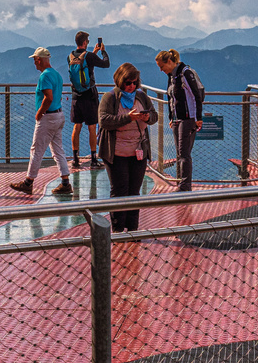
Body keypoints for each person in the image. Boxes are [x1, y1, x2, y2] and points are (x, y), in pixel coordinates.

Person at [97, 63, 158, 231]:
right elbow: (104, 121)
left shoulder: (142, 97)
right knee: (119, 190)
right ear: (120, 81)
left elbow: (154, 116)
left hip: (138, 152)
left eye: (134, 82)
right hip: (115, 153)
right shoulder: (109, 98)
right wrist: (128, 118)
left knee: (134, 192)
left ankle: (132, 229)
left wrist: (147, 117)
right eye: (128, 82)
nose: (131, 86)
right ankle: (117, 229)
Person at [8, 47, 73, 196]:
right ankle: (65, 183)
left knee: (36, 150)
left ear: (38, 59)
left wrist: (39, 112)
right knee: (58, 150)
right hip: (59, 115)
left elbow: (48, 97)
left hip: (48, 117)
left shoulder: (44, 76)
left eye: (34, 60)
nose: (34, 64)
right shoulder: (57, 75)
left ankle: (28, 182)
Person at [154, 50, 204, 191]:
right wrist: (171, 117)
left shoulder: (185, 73)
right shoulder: (172, 75)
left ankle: (185, 186)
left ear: (169, 62)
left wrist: (198, 118)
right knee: (179, 152)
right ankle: (182, 183)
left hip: (188, 118)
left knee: (184, 153)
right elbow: (171, 97)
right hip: (177, 119)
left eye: (162, 66)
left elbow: (196, 96)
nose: (161, 70)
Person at [64, 31, 110, 170]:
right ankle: (94, 159)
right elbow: (105, 64)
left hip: (76, 96)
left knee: (76, 127)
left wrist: (93, 52)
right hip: (89, 96)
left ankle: (75, 158)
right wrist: (103, 52)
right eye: (88, 41)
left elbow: (84, 65)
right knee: (92, 127)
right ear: (85, 42)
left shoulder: (70, 57)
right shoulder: (89, 56)